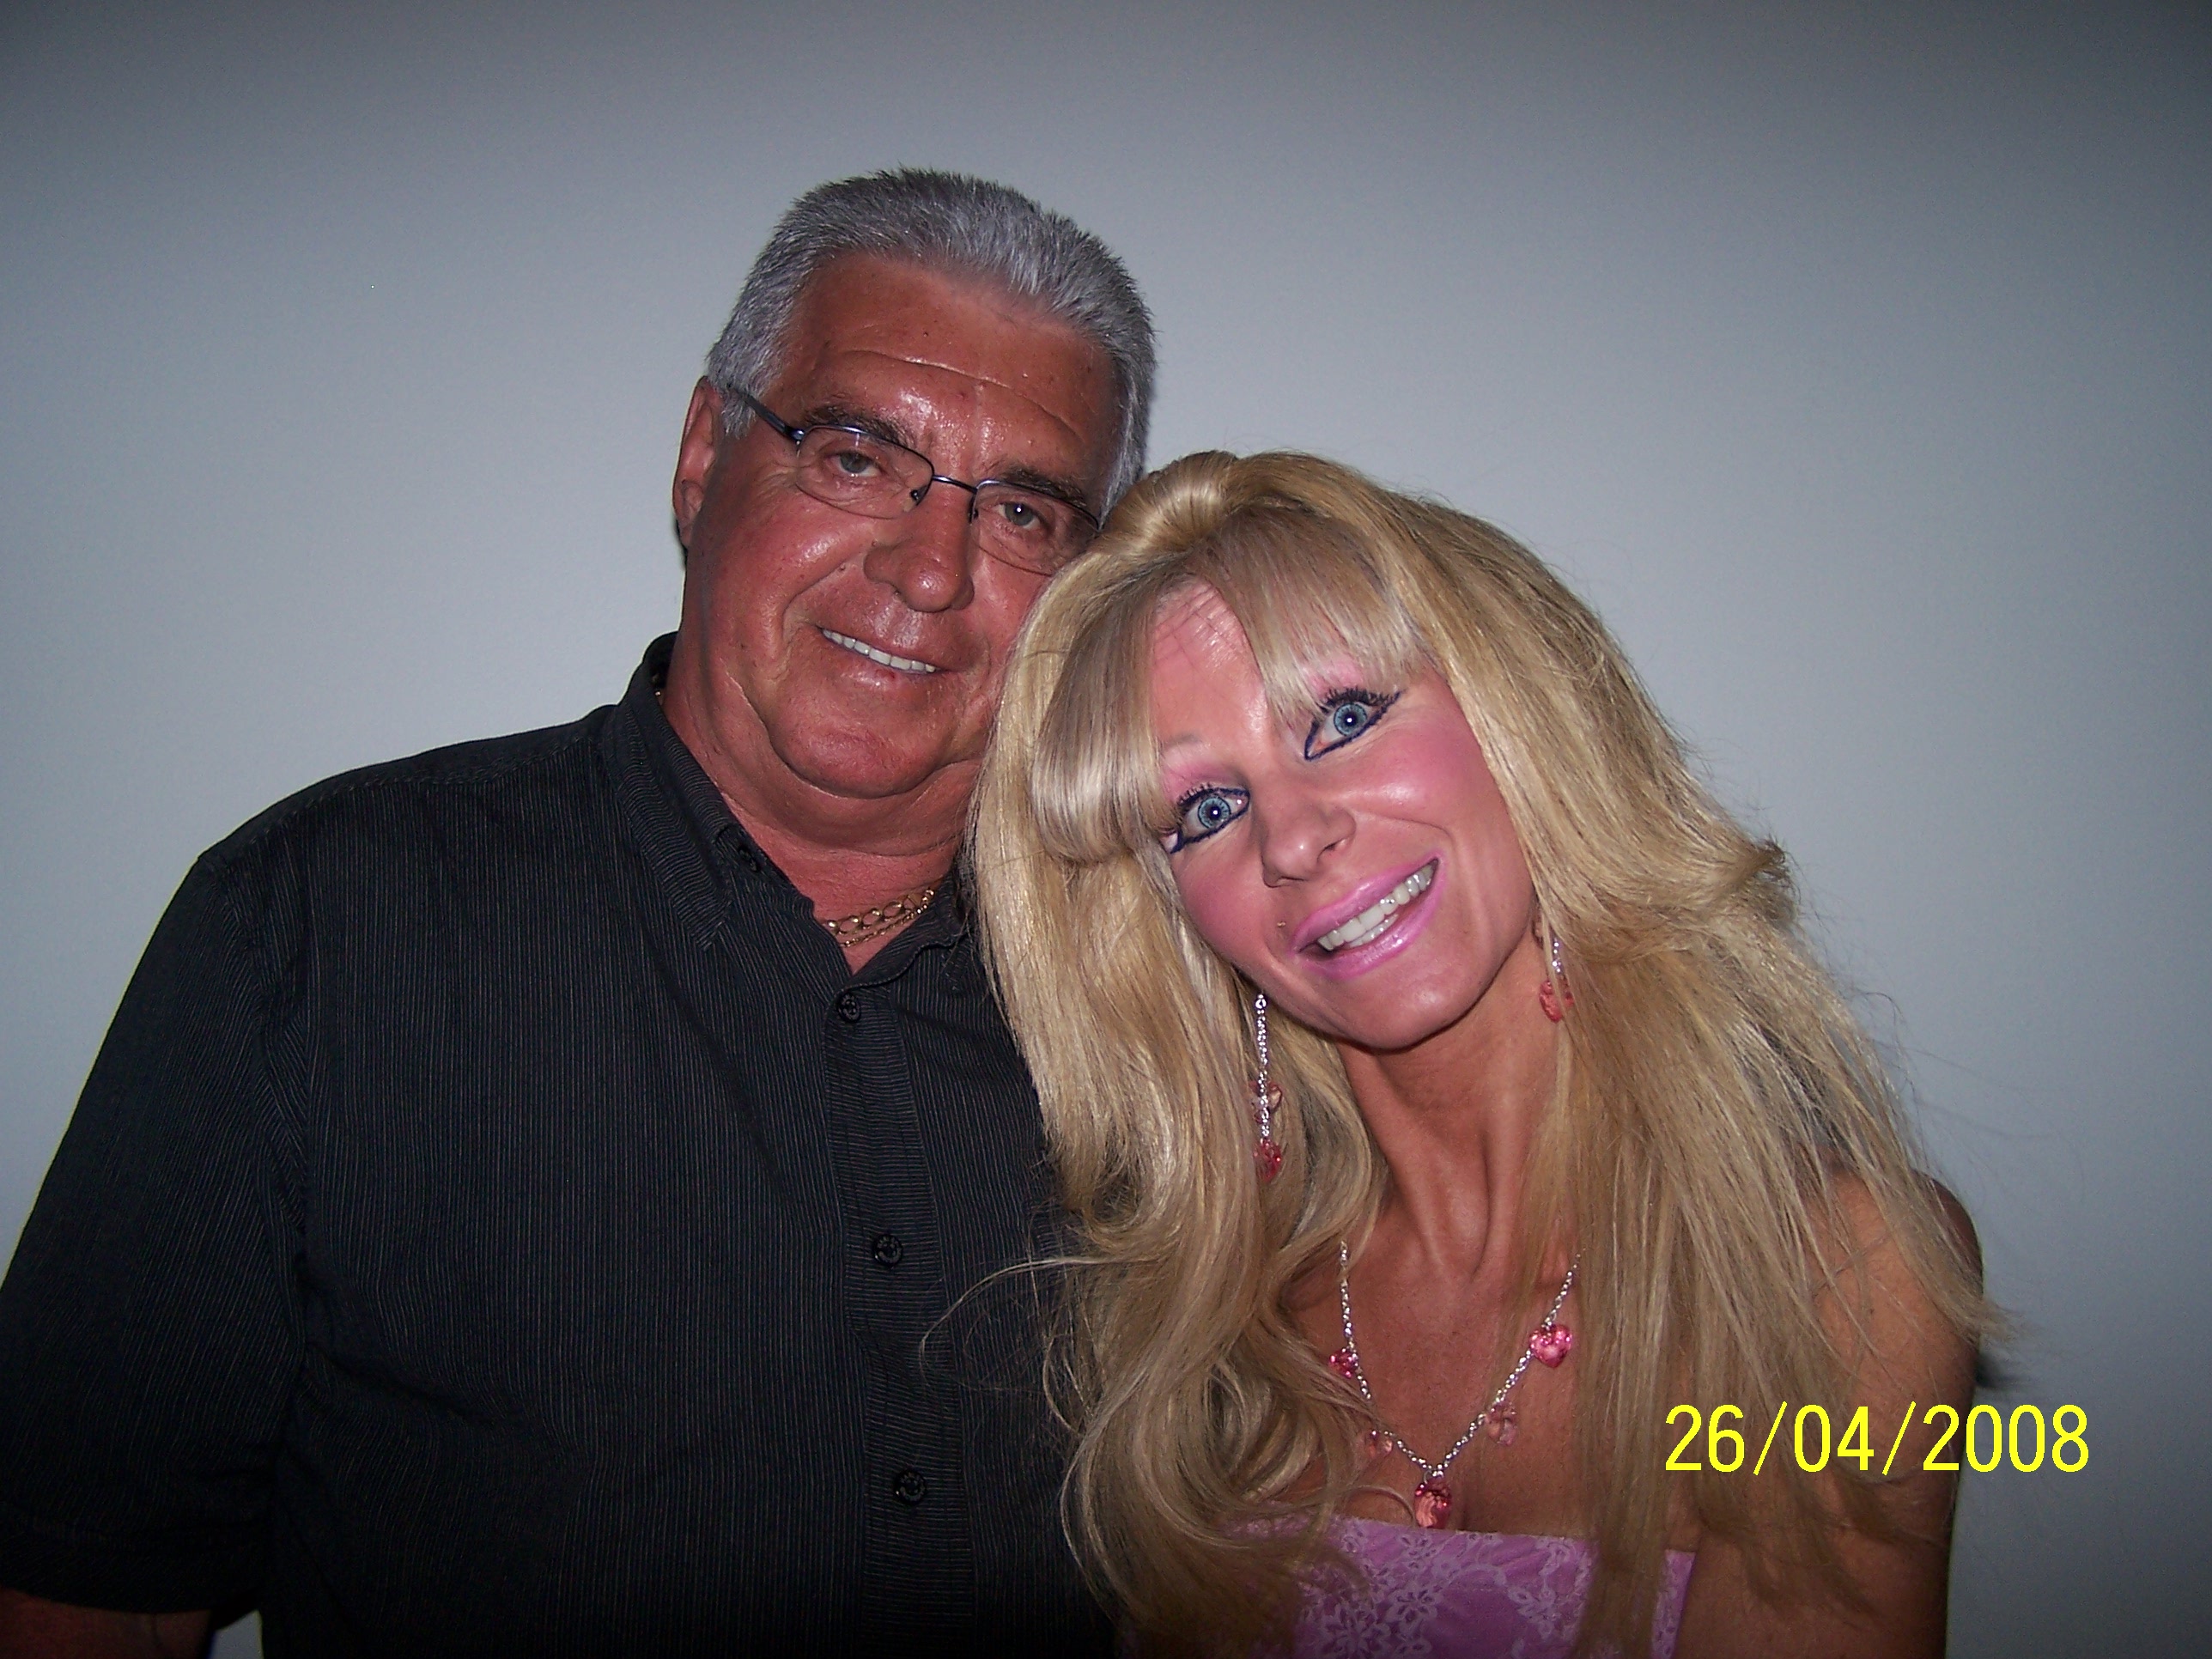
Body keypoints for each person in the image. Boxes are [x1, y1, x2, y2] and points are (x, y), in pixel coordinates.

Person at [0, 169, 1152, 1656]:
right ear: (702, 457)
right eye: (859, 456)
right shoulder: (317, 927)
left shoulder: (1171, 994)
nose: (929, 573)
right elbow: (79, 1586)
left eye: (1023, 512)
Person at [968, 451, 1990, 1656]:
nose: (1291, 838)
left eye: (1344, 719)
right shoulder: (1213, 1334)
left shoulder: (1836, 1283)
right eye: (1208, 810)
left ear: (1521, 722)